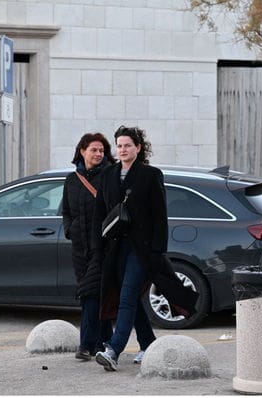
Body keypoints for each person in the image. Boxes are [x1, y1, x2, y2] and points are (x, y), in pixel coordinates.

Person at [92, 125, 197, 371]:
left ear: (138, 148)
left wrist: (157, 250)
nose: (123, 150)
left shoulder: (150, 175)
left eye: (128, 145)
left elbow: (160, 215)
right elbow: (100, 215)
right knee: (131, 298)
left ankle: (114, 350)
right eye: (119, 145)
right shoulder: (107, 175)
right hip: (116, 248)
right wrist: (99, 249)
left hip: (142, 249)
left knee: (127, 296)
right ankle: (147, 343)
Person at [61, 132, 114, 360]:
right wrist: (70, 230)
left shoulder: (110, 177)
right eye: (94, 150)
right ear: (82, 151)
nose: (98, 154)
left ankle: (85, 344)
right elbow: (66, 212)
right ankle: (104, 341)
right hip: (80, 249)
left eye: (101, 150)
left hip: (102, 247)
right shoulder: (72, 180)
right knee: (94, 295)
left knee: (90, 293)